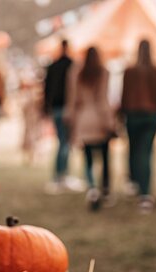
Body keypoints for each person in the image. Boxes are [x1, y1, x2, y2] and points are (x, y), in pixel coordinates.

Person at [121, 40, 156, 213]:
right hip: (149, 116)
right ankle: (144, 192)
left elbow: (124, 95)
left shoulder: (130, 71)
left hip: (134, 115)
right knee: (145, 153)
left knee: (136, 152)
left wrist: (122, 115)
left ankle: (139, 186)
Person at [66, 47, 116, 210]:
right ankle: (105, 189)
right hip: (99, 119)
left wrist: (72, 120)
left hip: (83, 119)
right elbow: (102, 99)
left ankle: (92, 188)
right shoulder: (103, 72)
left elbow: (72, 99)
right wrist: (109, 121)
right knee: (104, 156)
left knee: (88, 157)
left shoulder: (76, 73)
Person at [43, 39, 78, 193]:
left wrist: (46, 107)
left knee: (62, 141)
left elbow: (47, 89)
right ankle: (60, 176)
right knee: (64, 143)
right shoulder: (71, 66)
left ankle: (62, 174)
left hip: (56, 108)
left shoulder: (53, 66)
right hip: (66, 108)